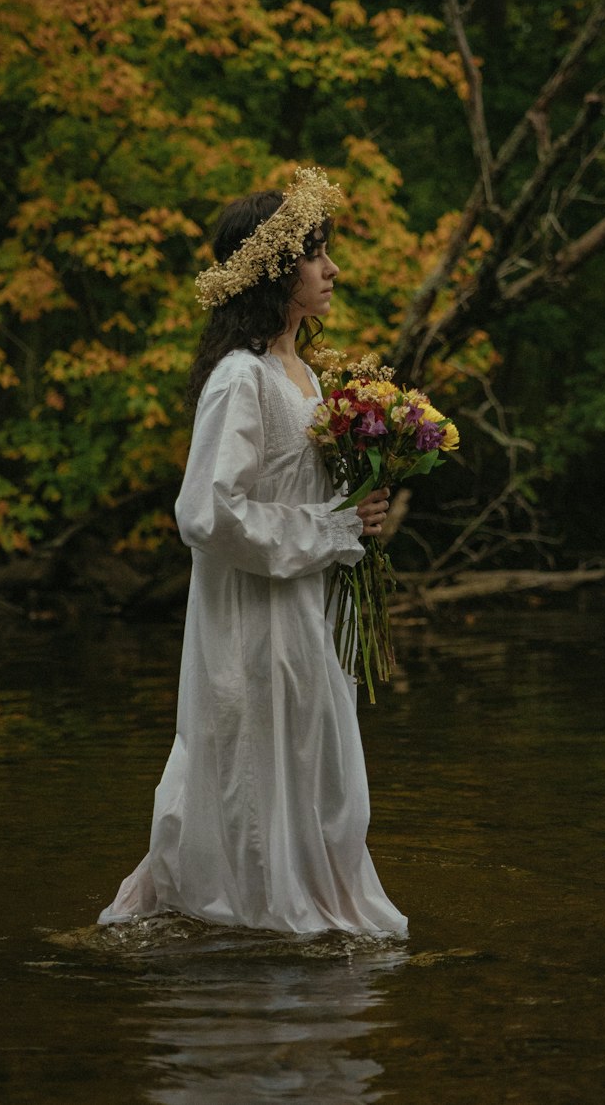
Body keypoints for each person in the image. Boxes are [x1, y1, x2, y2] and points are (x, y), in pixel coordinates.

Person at [98, 167, 407, 936]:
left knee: (317, 767)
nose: (332, 270)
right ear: (276, 271)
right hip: (252, 620)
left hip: (303, 609)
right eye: (316, 256)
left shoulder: (300, 375)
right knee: (252, 765)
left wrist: (356, 514)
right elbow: (206, 512)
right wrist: (332, 530)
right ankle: (247, 910)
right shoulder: (242, 380)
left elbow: (289, 490)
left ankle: (296, 900)